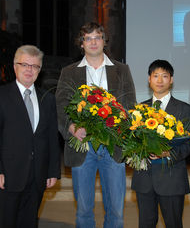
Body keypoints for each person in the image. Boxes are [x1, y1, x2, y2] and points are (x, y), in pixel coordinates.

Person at [55, 22, 136, 228]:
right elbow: (61, 103)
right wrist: (72, 127)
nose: (93, 42)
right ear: (81, 44)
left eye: (97, 37)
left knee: (116, 211)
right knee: (83, 210)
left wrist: (120, 126)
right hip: (82, 145)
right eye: (87, 38)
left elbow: (130, 105)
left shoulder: (121, 70)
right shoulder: (69, 72)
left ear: (104, 42)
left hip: (114, 145)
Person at [0, 45, 61, 228]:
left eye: (34, 66)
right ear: (15, 66)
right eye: (24, 64)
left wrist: (52, 171)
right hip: (6, 178)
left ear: (39, 70)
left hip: (36, 177)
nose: (29, 70)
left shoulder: (47, 99)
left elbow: (51, 137)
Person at [131, 60, 190, 228]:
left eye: (165, 76)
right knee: (145, 223)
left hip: (171, 179)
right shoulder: (139, 109)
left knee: (173, 224)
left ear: (171, 80)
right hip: (144, 179)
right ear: (149, 79)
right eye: (156, 76)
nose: (160, 80)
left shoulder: (184, 109)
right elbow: (131, 140)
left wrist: (168, 154)